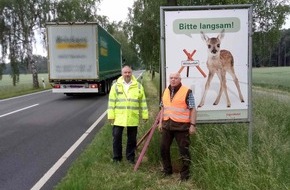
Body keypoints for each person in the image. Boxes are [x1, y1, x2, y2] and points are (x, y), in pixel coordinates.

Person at [158, 72, 197, 181]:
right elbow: (163, 108)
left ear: (180, 79)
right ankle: (167, 171)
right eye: (171, 78)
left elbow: (193, 109)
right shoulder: (165, 91)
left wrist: (192, 125)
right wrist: (160, 122)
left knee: (184, 151)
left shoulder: (187, 92)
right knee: (163, 148)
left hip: (182, 127)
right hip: (167, 126)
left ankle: (185, 175)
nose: (173, 80)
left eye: (176, 78)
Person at [107, 65, 149, 164]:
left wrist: (145, 115)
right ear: (122, 74)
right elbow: (111, 102)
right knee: (117, 137)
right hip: (119, 117)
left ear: (131, 73)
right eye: (125, 72)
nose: (127, 74)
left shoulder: (138, 86)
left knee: (132, 139)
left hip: (132, 116)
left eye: (129, 72)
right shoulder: (115, 86)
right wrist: (110, 115)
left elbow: (143, 102)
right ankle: (117, 158)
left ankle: (130, 158)